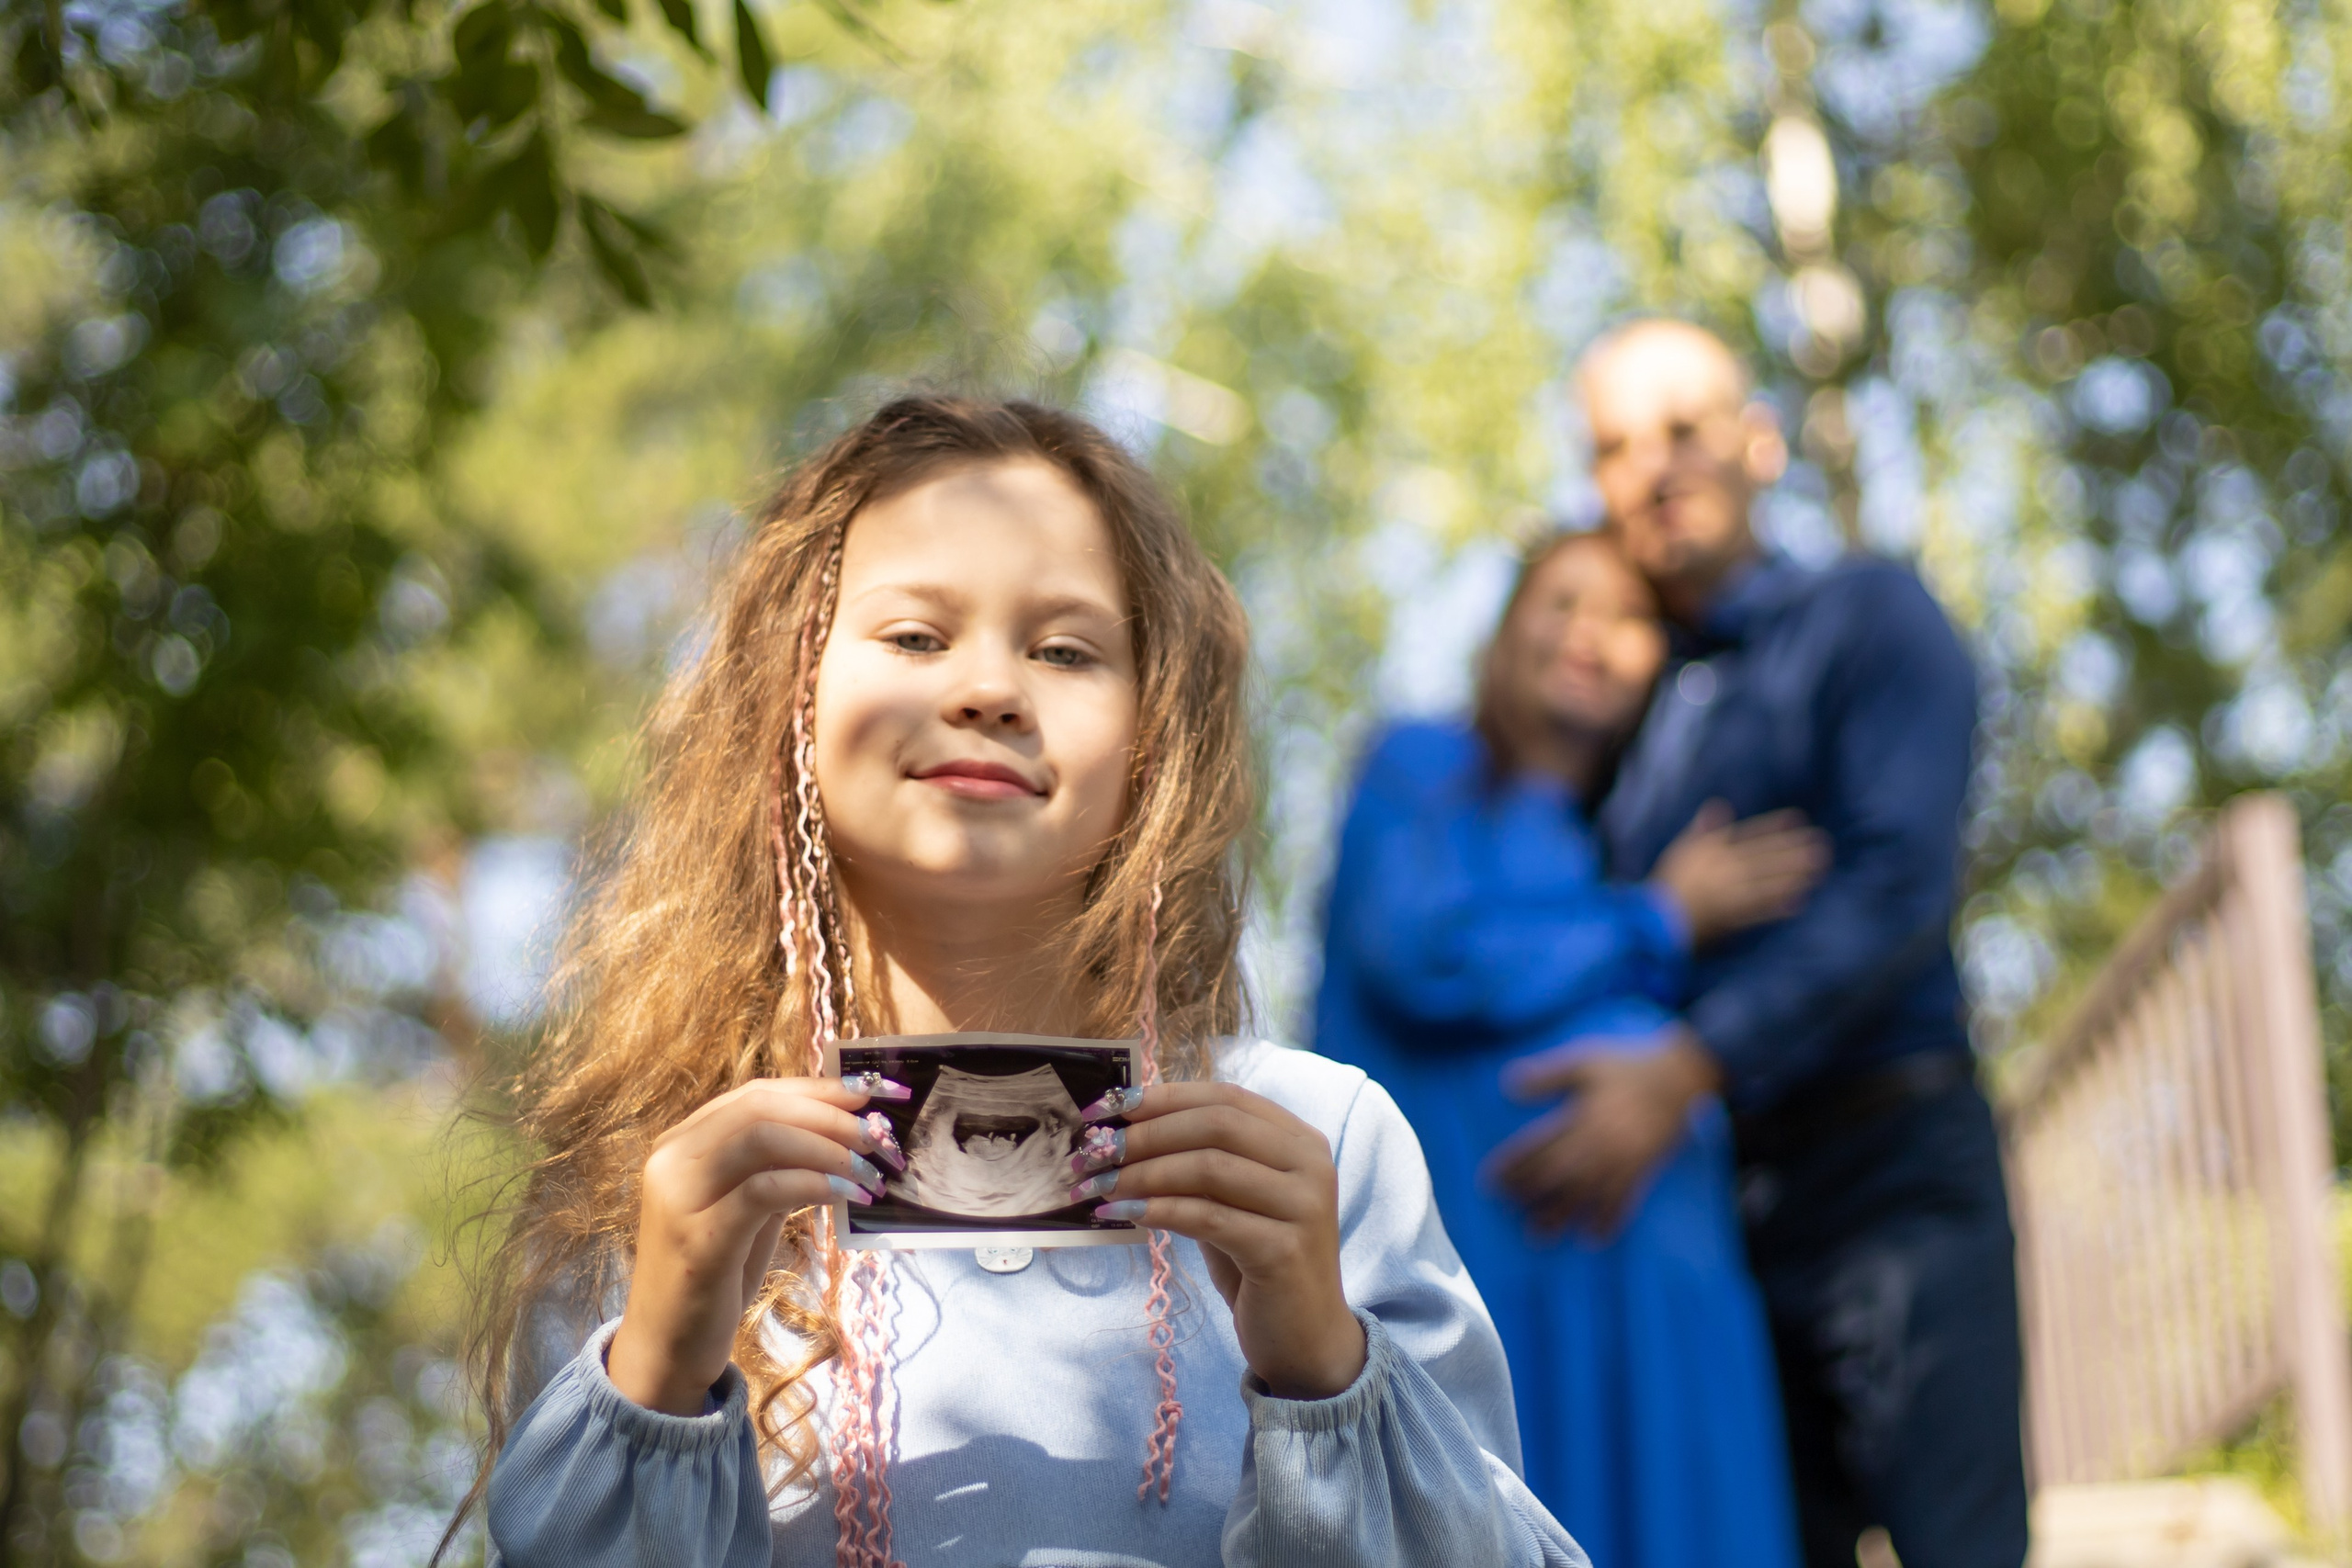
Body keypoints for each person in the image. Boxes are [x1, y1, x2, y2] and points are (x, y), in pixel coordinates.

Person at [465, 395, 1588, 1568]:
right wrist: (656, 1374)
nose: (990, 689)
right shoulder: (665, 1176)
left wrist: (1325, 1374)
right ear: (786, 701)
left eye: (1064, 649)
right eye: (913, 637)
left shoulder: (1315, 1145)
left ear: (1152, 739)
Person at [1498, 319, 2028, 1568]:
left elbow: (1896, 884)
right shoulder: (1617, 729)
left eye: (1684, 428)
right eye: (1615, 446)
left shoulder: (1871, 618)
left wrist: (1685, 1066)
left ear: (1759, 443)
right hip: (1707, 1231)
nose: (1655, 467)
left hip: (1894, 1176)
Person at [1315, 528, 1820, 1568]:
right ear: (1503, 639)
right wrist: (1660, 920)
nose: (1591, 634)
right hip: (1485, 1277)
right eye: (1561, 603)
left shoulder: (1624, 842)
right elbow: (1424, 952)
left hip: (1652, 1303)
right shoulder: (1422, 767)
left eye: (1628, 617)